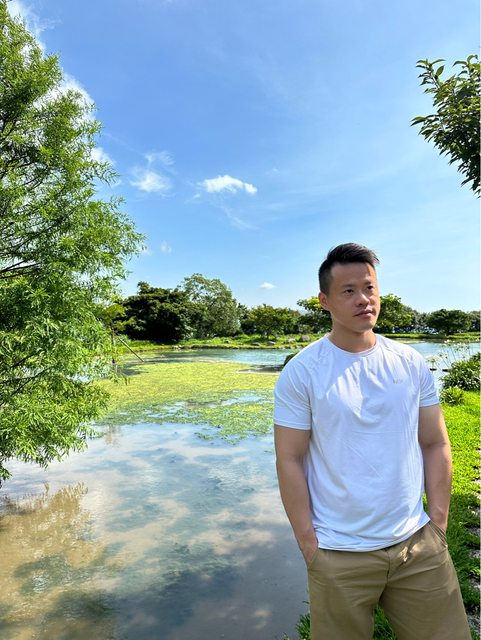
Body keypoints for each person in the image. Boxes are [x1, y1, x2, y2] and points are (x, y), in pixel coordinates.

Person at [274, 243, 471, 640]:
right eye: (348, 291)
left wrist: (438, 523)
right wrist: (309, 544)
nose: (363, 299)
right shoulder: (303, 371)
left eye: (369, 288)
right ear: (325, 301)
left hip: (417, 545)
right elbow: (290, 459)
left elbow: (435, 443)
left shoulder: (410, 362)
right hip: (337, 552)